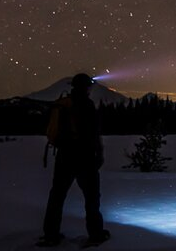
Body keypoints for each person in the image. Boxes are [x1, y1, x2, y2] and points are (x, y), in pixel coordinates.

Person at [38, 73, 110, 247]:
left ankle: (51, 234)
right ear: (86, 87)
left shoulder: (64, 104)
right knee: (92, 197)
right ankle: (96, 234)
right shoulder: (87, 105)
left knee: (57, 195)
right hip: (84, 157)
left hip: (64, 156)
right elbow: (93, 133)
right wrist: (99, 154)